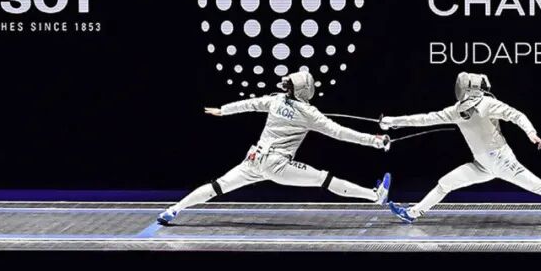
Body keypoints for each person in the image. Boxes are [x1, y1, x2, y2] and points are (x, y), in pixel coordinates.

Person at [156, 71, 392, 226]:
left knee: (218, 186)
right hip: (278, 164)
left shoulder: (276, 100)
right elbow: (340, 133)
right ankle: (375, 196)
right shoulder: (310, 114)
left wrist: (223, 110)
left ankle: (173, 210)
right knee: (324, 179)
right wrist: (375, 140)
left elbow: (250, 104)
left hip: (253, 159)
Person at [382, 72, 541, 227]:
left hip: (503, 162)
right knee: (445, 183)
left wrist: (530, 132)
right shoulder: (455, 111)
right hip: (482, 165)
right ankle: (412, 213)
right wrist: (392, 121)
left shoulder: (488, 104)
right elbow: (424, 119)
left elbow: (516, 115)